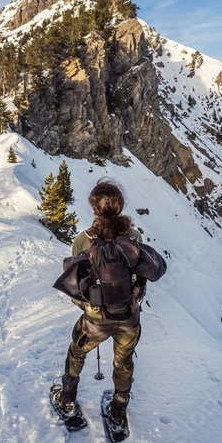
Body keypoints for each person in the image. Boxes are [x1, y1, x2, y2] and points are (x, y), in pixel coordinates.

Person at [53, 179, 164, 428]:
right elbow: (144, 275)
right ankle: (117, 412)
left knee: (77, 353)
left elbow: (76, 286)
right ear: (120, 207)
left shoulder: (83, 241)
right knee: (123, 362)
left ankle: (67, 400)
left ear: (94, 208)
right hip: (128, 317)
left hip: (95, 319)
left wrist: (88, 307)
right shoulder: (133, 237)